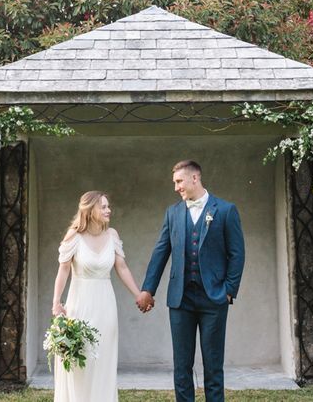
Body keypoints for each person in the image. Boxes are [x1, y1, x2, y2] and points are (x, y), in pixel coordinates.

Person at [137, 160, 245, 402]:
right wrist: (148, 289)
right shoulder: (173, 213)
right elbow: (160, 252)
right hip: (180, 299)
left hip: (214, 298)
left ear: (194, 178)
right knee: (181, 366)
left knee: (213, 366)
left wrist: (229, 290)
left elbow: (237, 254)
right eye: (175, 182)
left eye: (179, 181)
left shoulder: (226, 210)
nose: (176, 187)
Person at [51, 190, 145, 402]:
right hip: (80, 303)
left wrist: (138, 295)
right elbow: (63, 270)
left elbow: (122, 268)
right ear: (89, 209)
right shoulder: (74, 236)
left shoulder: (112, 235)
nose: (108, 210)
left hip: (105, 305)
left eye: (107, 206)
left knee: (103, 358)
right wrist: (57, 302)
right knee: (79, 357)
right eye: (103, 206)